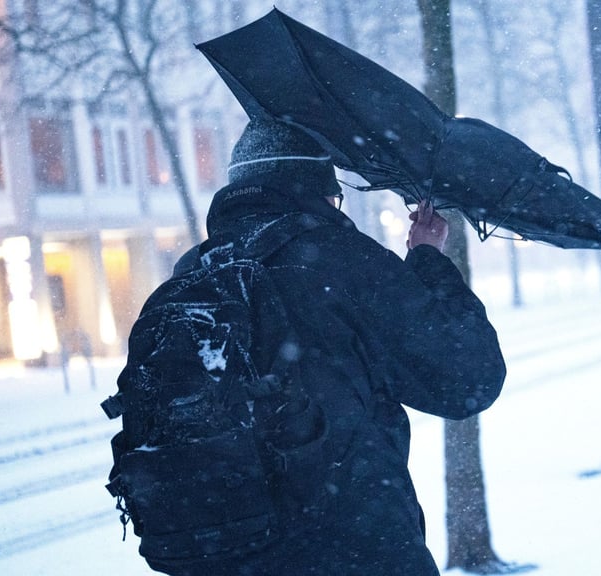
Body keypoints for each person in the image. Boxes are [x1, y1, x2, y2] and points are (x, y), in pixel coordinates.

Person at [168, 117, 505, 575]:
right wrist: (428, 260)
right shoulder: (342, 259)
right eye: (335, 194)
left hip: (224, 547)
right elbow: (468, 377)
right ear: (313, 188)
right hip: (351, 543)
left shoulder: (194, 272)